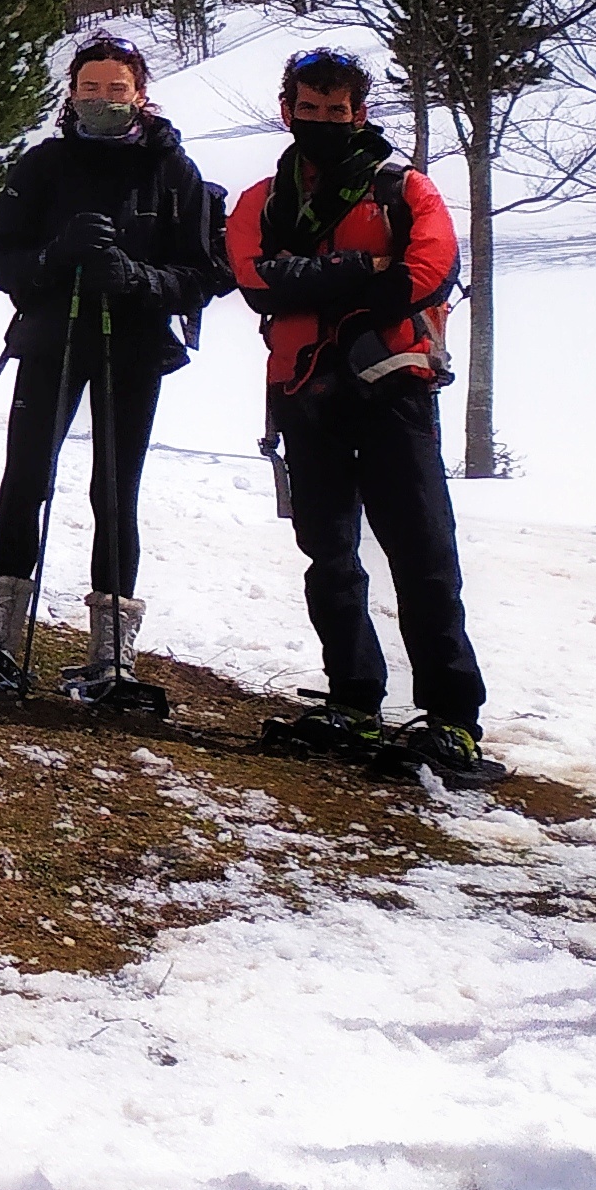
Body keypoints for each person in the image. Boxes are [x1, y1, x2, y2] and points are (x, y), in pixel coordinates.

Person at [230, 46, 499, 785]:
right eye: (309, 110)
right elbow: (254, 280)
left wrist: (313, 285)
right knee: (331, 556)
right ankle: (354, 700)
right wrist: (361, 275)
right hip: (303, 392)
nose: (321, 122)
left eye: (336, 111)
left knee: (422, 558)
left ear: (359, 113)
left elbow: (426, 273)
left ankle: (452, 721)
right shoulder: (263, 197)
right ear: (288, 111)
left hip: (392, 393)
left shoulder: (405, 188)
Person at [0, 34, 227, 700]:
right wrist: (54, 258)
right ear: (71, 94)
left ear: (140, 94)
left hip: (132, 347)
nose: (101, 101)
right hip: (52, 340)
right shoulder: (44, 164)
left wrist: (137, 277)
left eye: (116, 89)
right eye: (90, 89)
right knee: (24, 482)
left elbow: (208, 273)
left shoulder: (172, 171)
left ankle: (112, 655)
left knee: (114, 490)